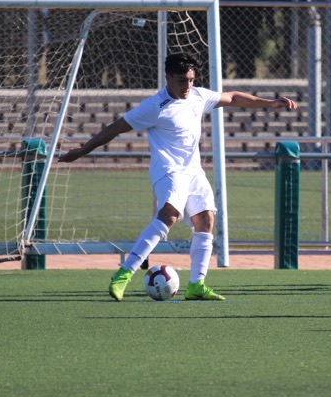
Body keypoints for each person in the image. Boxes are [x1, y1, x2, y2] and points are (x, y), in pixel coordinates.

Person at [59, 52, 298, 301]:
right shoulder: (154, 106)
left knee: (205, 219)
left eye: (192, 80)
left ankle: (196, 286)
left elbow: (233, 97)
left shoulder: (198, 96)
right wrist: (83, 150)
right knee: (170, 215)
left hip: (193, 170)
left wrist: (269, 103)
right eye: (182, 80)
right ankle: (123, 274)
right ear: (168, 77)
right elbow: (114, 128)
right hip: (167, 170)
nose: (188, 86)